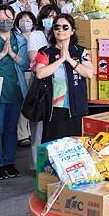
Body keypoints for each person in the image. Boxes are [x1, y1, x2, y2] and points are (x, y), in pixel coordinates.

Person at [35, 14, 93, 142]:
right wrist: (60, 60)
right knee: (52, 147)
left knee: (74, 146)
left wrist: (70, 60)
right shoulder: (45, 52)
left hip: (76, 107)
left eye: (65, 27)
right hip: (53, 108)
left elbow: (89, 73)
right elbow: (40, 73)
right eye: (57, 27)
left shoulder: (81, 52)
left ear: (72, 31)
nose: (60, 30)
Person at [0, 5, 30, 180]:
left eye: (8, 19)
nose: (4, 22)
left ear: (13, 20)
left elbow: (24, 63)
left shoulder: (20, 39)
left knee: (11, 128)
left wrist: (11, 53)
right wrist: (3, 53)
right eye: (0, 19)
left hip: (15, 87)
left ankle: (9, 162)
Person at [13, 10, 37, 149]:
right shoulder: (16, 37)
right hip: (21, 72)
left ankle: (31, 132)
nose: (25, 22)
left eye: (28, 20)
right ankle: (22, 134)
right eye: (22, 20)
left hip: (35, 73)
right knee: (23, 103)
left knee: (33, 103)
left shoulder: (38, 36)